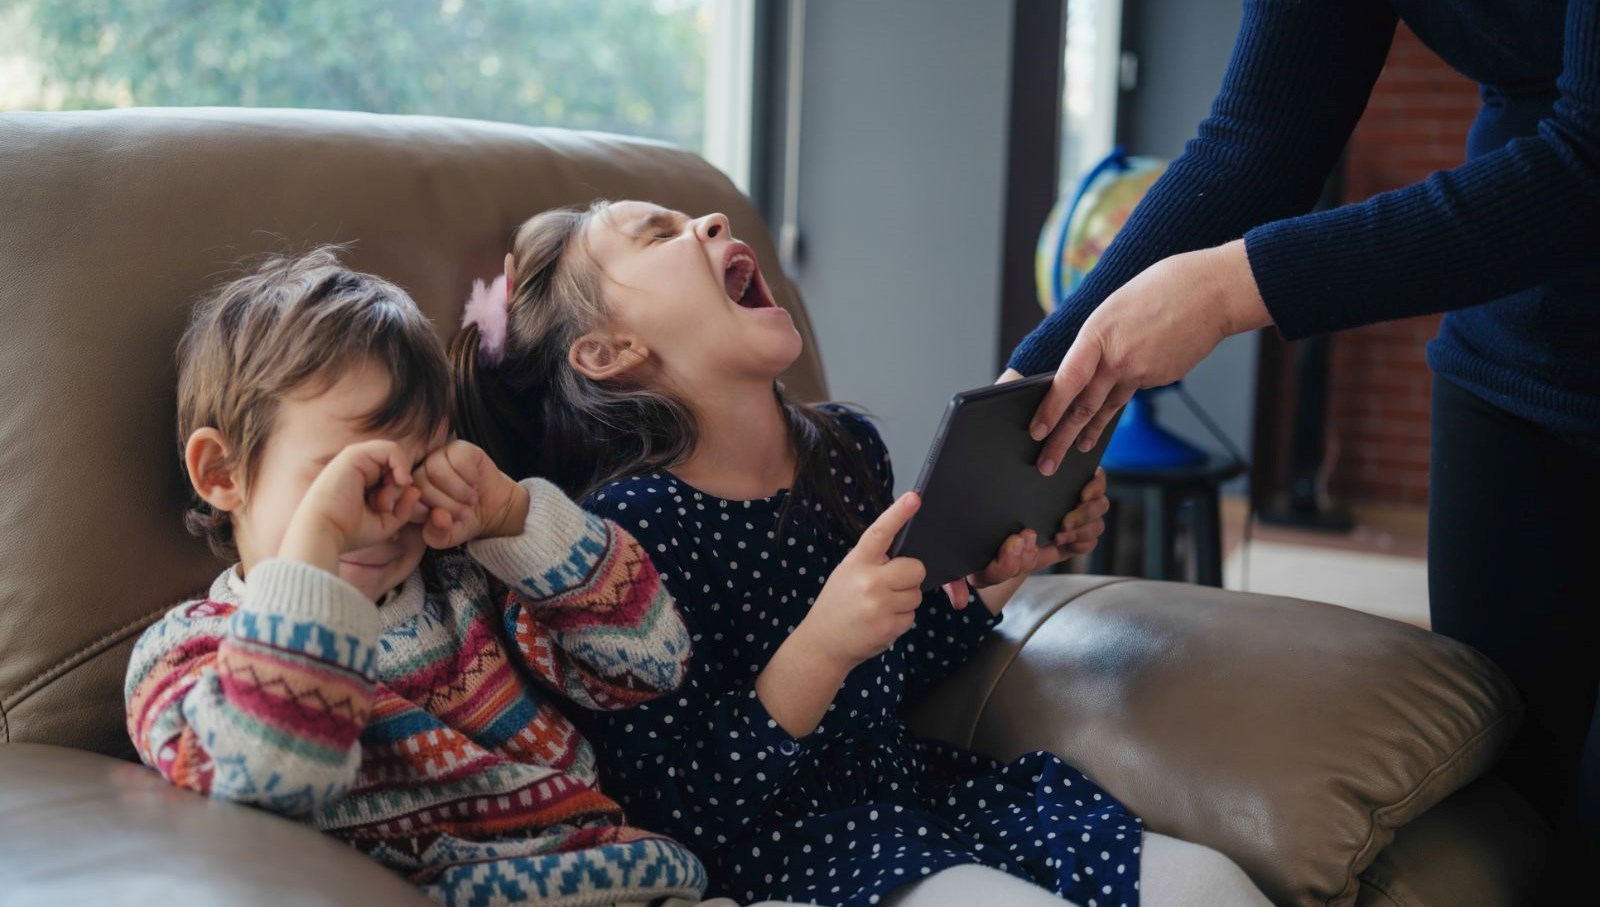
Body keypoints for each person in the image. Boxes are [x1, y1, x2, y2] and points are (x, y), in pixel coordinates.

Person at [450, 199, 1273, 907]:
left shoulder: (843, 449)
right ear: (605, 352)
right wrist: (821, 643)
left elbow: (894, 665)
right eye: (659, 234)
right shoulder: (626, 539)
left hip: (919, 796)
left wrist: (992, 582)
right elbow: (679, 807)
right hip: (795, 852)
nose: (711, 220)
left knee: (1209, 886)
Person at [1006, 0, 1600, 873]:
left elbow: (1587, 169)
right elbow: (1259, 135)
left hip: (1561, 203)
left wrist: (1230, 290)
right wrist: (1033, 386)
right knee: (1513, 814)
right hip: (1516, 352)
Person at [124, 248, 713, 907]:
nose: (389, 512)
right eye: (354, 476)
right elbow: (271, 774)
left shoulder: (468, 591)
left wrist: (513, 517)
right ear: (221, 473)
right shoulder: (188, 654)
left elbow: (652, 661)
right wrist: (314, 551)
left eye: (418, 468)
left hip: (633, 881)